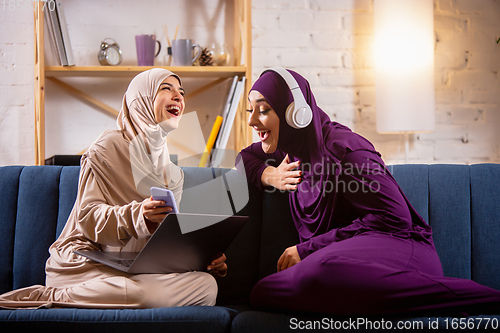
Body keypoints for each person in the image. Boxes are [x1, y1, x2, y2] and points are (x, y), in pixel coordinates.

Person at [237, 68, 500, 316]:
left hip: (401, 251)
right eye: (251, 110)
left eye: (263, 110)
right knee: (263, 292)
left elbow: (396, 220)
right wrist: (269, 174)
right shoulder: (290, 149)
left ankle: (486, 299)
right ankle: (385, 301)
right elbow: (244, 158)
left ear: (295, 113)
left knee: (319, 270)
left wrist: (308, 250)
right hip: (339, 265)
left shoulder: (347, 151)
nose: (251, 120)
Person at [0, 68, 226, 309]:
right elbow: (87, 218)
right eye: (166, 89)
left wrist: (201, 258)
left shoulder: (174, 174)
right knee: (138, 294)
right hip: (86, 262)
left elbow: (163, 240)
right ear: (141, 100)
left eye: (181, 92)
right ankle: (53, 295)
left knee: (206, 285)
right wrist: (138, 216)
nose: (178, 97)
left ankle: (122, 294)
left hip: (133, 267)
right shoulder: (107, 147)